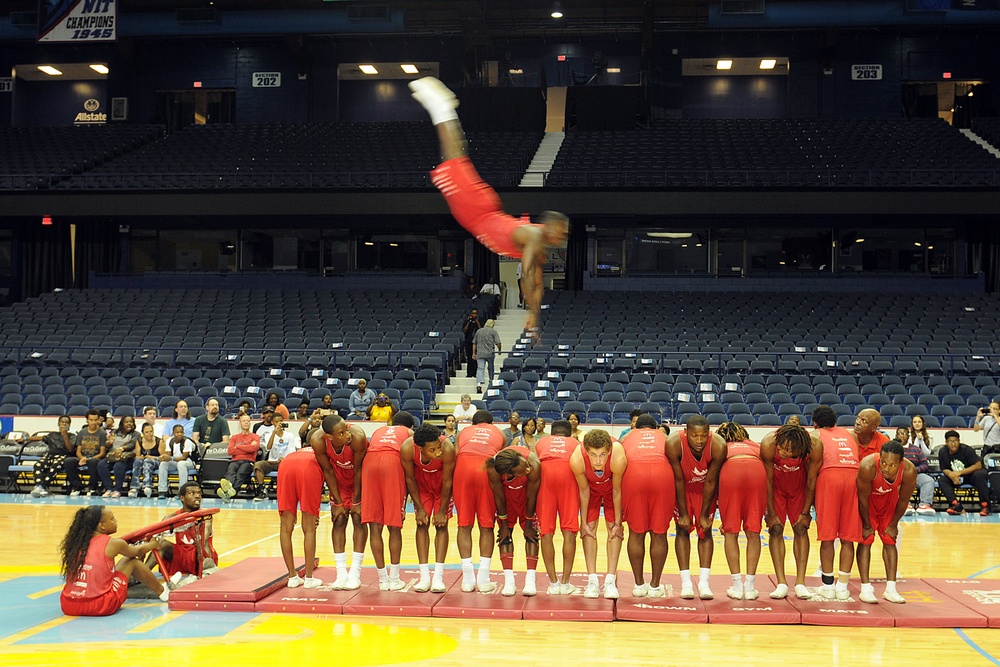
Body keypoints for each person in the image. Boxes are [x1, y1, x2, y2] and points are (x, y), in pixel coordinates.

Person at [409, 76, 569, 338]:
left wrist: (535, 317)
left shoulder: (539, 242)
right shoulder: (534, 236)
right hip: (477, 213)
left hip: (485, 211)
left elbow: (538, 284)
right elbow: (527, 276)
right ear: (550, 227)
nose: (563, 238)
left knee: (458, 157)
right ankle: (440, 107)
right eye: (562, 232)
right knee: (454, 157)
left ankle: (443, 108)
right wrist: (531, 314)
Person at [277, 415, 364, 589]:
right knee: (309, 527)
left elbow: (357, 469)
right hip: (308, 469)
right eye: (341, 433)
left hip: (285, 466)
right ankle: (309, 578)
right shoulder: (320, 448)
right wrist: (338, 503)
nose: (346, 434)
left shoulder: (353, 438)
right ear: (327, 438)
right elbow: (328, 471)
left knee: (285, 526)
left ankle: (293, 577)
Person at [621, 414, 688, 598]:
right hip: (662, 476)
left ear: (637, 427)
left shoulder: (627, 437)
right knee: (659, 533)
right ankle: (655, 585)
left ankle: (638, 585)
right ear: (655, 427)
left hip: (634, 475)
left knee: (636, 532)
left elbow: (617, 465)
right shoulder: (664, 437)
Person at [60, 505, 168, 616]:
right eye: (112, 519)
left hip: (68, 605)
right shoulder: (114, 543)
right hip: (100, 605)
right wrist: (153, 544)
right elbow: (137, 552)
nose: (115, 521)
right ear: (101, 526)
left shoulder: (76, 543)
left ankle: (136, 582)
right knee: (133, 562)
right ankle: (162, 591)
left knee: (124, 561)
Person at [706, 423, 767, 601]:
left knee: (731, 532)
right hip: (757, 471)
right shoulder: (754, 445)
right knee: (753, 532)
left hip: (731, 471)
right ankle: (750, 586)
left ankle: (737, 585)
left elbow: (711, 478)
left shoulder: (720, 446)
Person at [807, 405, 863, 600]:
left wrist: (808, 502)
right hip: (854, 477)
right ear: (835, 421)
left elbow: (812, 469)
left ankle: (828, 586)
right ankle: (843, 587)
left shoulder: (814, 434)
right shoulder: (851, 435)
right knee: (848, 537)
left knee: (828, 536)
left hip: (830, 477)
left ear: (814, 422)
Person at [669, 415, 727, 600]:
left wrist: (703, 514)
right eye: (694, 435)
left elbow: (711, 480)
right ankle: (685, 582)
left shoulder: (718, 445)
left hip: (705, 491)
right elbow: (678, 479)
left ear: (709, 434)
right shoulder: (673, 443)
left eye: (703, 436)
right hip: (682, 489)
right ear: (686, 433)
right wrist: (684, 513)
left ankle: (704, 583)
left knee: (705, 530)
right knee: (682, 529)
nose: (699, 440)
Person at [760, 423, 818, 600]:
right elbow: (768, 480)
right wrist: (770, 512)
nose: (783, 452)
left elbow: (811, 481)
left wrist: (807, 512)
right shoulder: (769, 444)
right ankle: (781, 583)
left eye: (789, 450)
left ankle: (800, 583)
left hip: (798, 489)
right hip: (776, 489)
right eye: (782, 448)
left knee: (800, 528)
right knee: (776, 529)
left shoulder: (814, 447)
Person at [856, 439, 917, 604]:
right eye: (883, 463)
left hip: (889, 502)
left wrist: (893, 524)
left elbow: (903, 500)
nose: (886, 468)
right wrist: (867, 524)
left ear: (901, 463)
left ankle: (891, 589)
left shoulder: (909, 471)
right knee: (866, 539)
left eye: (892, 465)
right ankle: (865, 588)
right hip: (868, 503)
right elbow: (862, 498)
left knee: (890, 540)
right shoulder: (867, 466)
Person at [362, 411, 416, 591]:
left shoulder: (380, 430)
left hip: (370, 463)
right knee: (394, 526)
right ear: (411, 426)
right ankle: (394, 579)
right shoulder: (409, 433)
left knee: (375, 526)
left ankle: (383, 579)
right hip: (391, 462)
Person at [453, 409, 506, 592]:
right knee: (486, 525)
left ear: (473, 424)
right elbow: (502, 460)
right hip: (486, 468)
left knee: (464, 525)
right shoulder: (499, 433)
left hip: (463, 469)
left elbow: (454, 454)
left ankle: (467, 579)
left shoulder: (463, 432)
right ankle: (483, 579)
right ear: (491, 424)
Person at [570, 428, 626, 599]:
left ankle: (610, 580)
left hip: (611, 488)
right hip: (590, 488)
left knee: (614, 529)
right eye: (593, 455)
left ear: (609, 451)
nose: (598, 460)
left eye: (602, 454)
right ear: (586, 451)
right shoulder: (577, 459)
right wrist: (583, 522)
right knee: (589, 529)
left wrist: (618, 522)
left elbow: (617, 491)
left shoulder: (618, 457)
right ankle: (592, 581)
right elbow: (584, 490)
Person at [400, 423, 456, 592]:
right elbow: (409, 479)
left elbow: (448, 482)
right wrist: (419, 508)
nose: (438, 452)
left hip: (442, 487)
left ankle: (438, 577)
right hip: (422, 486)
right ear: (419, 448)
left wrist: (441, 511)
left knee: (441, 525)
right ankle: (424, 577)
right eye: (432, 450)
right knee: (421, 524)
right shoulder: (407, 448)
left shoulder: (447, 447)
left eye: (438, 447)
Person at [533, 420, 581, 595]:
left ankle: (553, 583)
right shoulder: (575, 443)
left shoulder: (541, 442)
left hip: (546, 477)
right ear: (569, 433)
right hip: (567, 477)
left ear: (551, 433)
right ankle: (565, 582)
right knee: (569, 532)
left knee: (546, 532)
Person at [488, 445, 541, 597]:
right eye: (522, 472)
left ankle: (530, 581)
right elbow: (498, 497)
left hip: (527, 497)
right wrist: (504, 525)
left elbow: (532, 496)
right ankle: (509, 581)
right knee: (504, 535)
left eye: (525, 466)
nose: (527, 470)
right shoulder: (494, 470)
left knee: (532, 534)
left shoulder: (533, 464)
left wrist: (529, 523)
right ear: (509, 473)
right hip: (506, 498)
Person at [157, 482, 219, 581]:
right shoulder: (172, 517)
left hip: (199, 554)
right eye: (192, 493)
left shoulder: (206, 516)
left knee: (202, 543)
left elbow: (203, 538)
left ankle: (208, 571)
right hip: (183, 556)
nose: (197, 496)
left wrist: (187, 525)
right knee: (161, 544)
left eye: (199, 493)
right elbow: (157, 535)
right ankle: (142, 575)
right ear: (182, 498)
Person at [938, 429, 990, 516]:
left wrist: (959, 473)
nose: (953, 444)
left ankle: (985, 506)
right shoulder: (942, 452)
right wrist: (951, 475)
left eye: (955, 441)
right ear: (946, 443)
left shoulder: (967, 450)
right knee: (942, 480)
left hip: (971, 475)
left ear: (959, 441)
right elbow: (944, 469)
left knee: (980, 474)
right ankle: (955, 505)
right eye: (950, 441)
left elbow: (978, 465)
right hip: (956, 477)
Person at [253, 412, 301, 500]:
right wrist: (274, 433)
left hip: (286, 462)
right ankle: (262, 490)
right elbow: (268, 447)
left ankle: (291, 492)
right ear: (272, 423)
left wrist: (285, 459)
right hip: (272, 462)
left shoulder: (290, 435)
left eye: (281, 421)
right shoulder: (268, 435)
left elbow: (292, 451)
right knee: (258, 465)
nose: (279, 423)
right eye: (276, 422)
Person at [29, 415, 75, 498]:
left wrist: (65, 435)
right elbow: (40, 438)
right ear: (58, 423)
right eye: (62, 422)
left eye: (66, 422)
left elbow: (70, 449)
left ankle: (43, 486)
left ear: (69, 425)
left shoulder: (72, 436)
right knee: (38, 465)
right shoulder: (52, 434)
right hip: (50, 455)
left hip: (63, 456)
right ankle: (39, 486)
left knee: (55, 466)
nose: (64, 424)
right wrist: (25, 438)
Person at [64, 409, 108, 497]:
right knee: (68, 461)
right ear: (87, 420)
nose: (93, 422)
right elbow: (78, 450)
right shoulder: (82, 432)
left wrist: (89, 459)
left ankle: (92, 487)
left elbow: (102, 452)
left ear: (99, 420)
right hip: (83, 457)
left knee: (93, 462)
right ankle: (77, 485)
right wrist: (82, 458)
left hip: (95, 457)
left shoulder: (102, 433)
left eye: (95, 420)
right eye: (91, 420)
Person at [218, 413, 261, 502]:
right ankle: (229, 493)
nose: (246, 422)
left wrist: (237, 447)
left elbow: (253, 448)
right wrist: (247, 447)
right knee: (231, 472)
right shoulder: (234, 437)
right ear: (240, 423)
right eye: (244, 421)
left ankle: (229, 493)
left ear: (250, 423)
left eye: (248, 421)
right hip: (235, 460)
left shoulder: (255, 436)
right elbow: (230, 451)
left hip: (248, 461)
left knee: (240, 474)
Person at [97, 416, 139, 498]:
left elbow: (131, 444)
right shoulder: (114, 432)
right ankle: (109, 488)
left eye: (131, 422)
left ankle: (117, 490)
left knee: (118, 466)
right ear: (122, 424)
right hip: (112, 456)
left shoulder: (136, 434)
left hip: (126, 458)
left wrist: (121, 448)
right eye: (126, 422)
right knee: (101, 464)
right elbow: (107, 443)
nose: (129, 424)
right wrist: (109, 442)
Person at [898, 426, 936, 516]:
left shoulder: (916, 449)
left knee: (928, 480)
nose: (902, 436)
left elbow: (925, 464)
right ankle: (905, 505)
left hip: (915, 475)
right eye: (899, 433)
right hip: (898, 475)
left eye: (904, 434)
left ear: (909, 436)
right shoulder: (893, 448)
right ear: (896, 436)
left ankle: (924, 505)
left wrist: (915, 470)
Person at [157, 424, 196, 500]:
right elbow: (168, 456)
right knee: (163, 464)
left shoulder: (187, 441)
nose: (179, 434)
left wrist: (170, 458)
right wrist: (164, 458)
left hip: (188, 462)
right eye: (177, 432)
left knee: (181, 464)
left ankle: (181, 491)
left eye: (181, 432)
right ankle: (162, 490)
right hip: (175, 461)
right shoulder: (169, 441)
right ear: (173, 433)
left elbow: (184, 457)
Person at [129, 422, 162, 498]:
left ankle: (147, 485)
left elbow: (163, 457)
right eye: (146, 432)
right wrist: (141, 457)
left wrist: (151, 457)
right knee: (137, 461)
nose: (149, 434)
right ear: (143, 433)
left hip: (156, 462)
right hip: (143, 461)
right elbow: (137, 456)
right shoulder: (139, 441)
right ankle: (134, 487)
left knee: (148, 461)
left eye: (151, 431)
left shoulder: (159, 441)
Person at [472, 319, 502, 393]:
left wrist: (473, 353)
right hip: (490, 352)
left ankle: (479, 384)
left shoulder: (479, 331)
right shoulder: (493, 332)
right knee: (491, 367)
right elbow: (498, 342)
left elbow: (474, 343)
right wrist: (499, 350)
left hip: (480, 353)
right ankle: (491, 381)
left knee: (480, 368)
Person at [462, 308, 482, 378]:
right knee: (469, 358)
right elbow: (464, 330)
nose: (474, 315)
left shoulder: (479, 321)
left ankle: (475, 372)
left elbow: (481, 330)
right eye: (473, 313)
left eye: (475, 313)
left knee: (475, 358)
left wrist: (477, 322)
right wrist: (469, 322)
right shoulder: (466, 321)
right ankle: (469, 373)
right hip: (468, 342)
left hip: (477, 342)